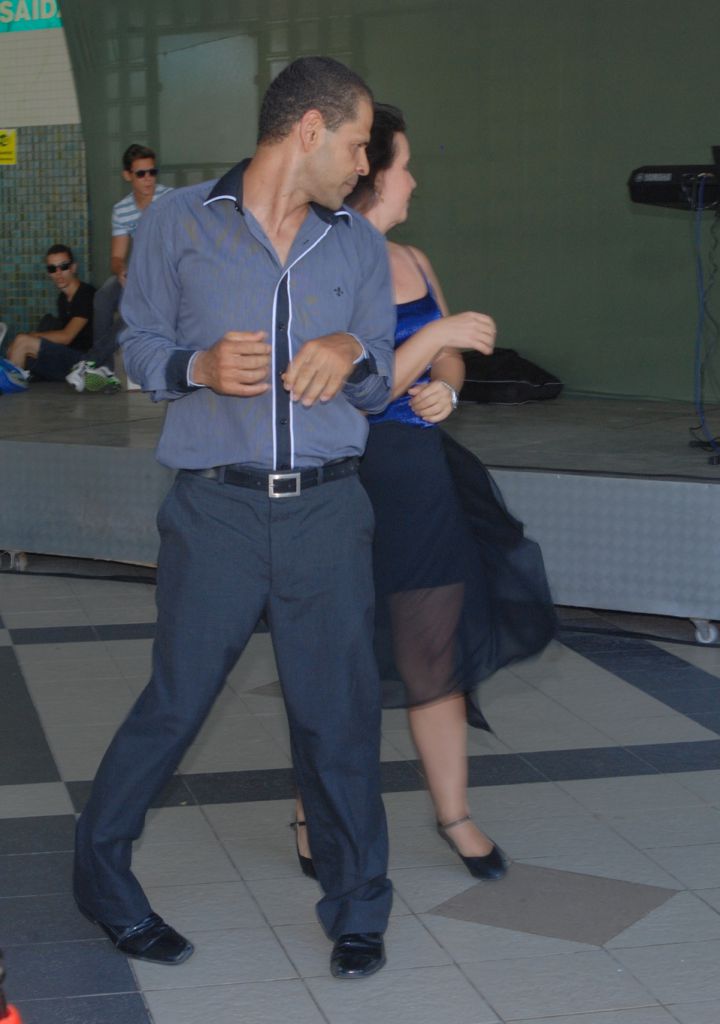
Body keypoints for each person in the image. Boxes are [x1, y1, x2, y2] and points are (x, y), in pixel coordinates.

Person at [73, 57, 396, 980]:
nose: (364, 165)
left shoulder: (357, 245)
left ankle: (357, 904)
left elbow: (377, 378)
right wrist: (198, 368)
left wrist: (352, 349)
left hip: (329, 510)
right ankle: (102, 882)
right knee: (175, 704)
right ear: (308, 130)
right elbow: (135, 346)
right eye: (357, 143)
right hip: (214, 509)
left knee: (338, 716)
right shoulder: (177, 222)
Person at [294, 104, 556, 880]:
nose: (414, 180)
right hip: (344, 475)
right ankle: (312, 813)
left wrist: (447, 382)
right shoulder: (322, 262)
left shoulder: (413, 258)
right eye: (405, 166)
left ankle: (456, 816)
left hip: (416, 475)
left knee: (432, 649)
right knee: (333, 657)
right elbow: (351, 391)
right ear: (370, 171)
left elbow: (450, 359)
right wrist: (435, 339)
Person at [77, 143, 172, 383]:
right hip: (138, 275)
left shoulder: (171, 200)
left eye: (152, 172)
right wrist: (121, 271)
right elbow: (117, 258)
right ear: (128, 175)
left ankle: (92, 361)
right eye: (141, 173)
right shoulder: (122, 210)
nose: (148, 178)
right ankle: (105, 369)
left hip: (167, 277)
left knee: (133, 309)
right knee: (103, 296)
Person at [1, 245, 113, 390]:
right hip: (68, 359)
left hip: (85, 362)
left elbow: (66, 336)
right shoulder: (62, 299)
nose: (58, 273)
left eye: (64, 266)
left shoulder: (85, 294)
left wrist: (31, 336)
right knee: (18, 350)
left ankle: (8, 388)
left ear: (73, 268)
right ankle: (12, 384)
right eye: (52, 268)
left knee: (22, 341)